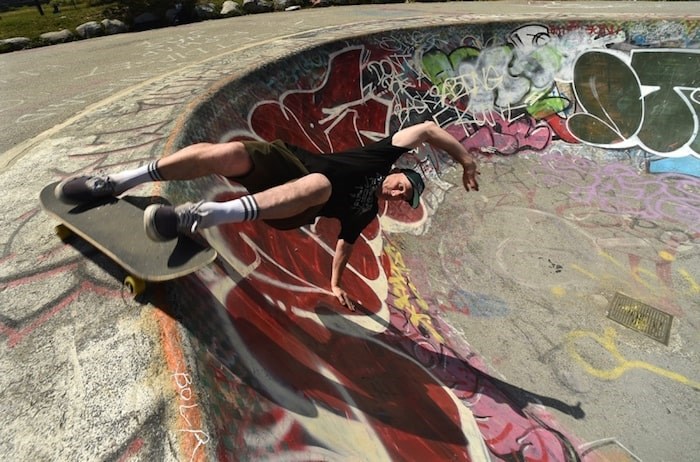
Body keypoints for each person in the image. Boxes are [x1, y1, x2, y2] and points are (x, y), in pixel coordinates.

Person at [55, 121, 480, 309]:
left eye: (404, 198)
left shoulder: (365, 211)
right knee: (226, 154)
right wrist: (464, 160)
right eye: (403, 186)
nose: (398, 194)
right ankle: (116, 182)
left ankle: (199, 217)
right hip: (290, 162)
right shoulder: (380, 156)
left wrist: (334, 285)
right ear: (399, 173)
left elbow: (344, 247)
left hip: (294, 208)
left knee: (319, 187)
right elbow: (425, 131)